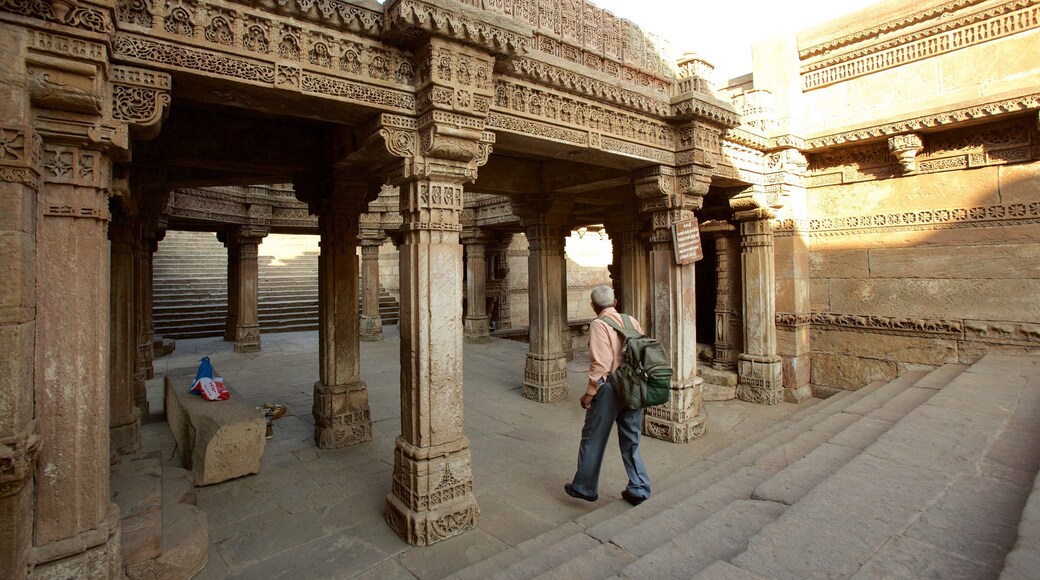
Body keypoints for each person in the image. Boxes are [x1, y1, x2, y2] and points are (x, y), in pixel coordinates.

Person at [564, 285, 651, 506]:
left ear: (594, 306)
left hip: (611, 388)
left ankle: (584, 486)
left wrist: (589, 393)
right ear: (615, 302)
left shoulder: (599, 324)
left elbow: (601, 365)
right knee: (631, 439)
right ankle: (639, 487)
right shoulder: (631, 320)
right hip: (635, 386)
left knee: (593, 436)